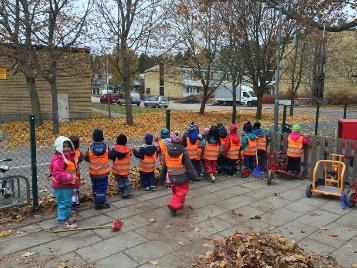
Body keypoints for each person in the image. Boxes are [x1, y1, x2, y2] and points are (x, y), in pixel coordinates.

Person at [166, 131, 198, 216]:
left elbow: (165, 165)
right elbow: (189, 165)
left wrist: (162, 175)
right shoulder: (184, 151)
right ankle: (174, 205)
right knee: (182, 191)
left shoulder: (167, 150)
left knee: (176, 190)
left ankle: (179, 203)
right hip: (182, 176)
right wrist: (194, 176)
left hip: (171, 175)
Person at [49, 136, 79, 229]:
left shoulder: (69, 157)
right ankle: (62, 222)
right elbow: (58, 173)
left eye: (68, 146)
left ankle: (66, 218)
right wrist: (69, 177)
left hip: (68, 185)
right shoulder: (59, 159)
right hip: (61, 186)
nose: (66, 148)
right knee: (63, 203)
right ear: (59, 147)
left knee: (67, 202)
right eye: (64, 146)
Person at [85, 128, 111, 210]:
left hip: (93, 173)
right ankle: (100, 203)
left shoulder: (90, 148)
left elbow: (87, 158)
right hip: (103, 173)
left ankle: (96, 199)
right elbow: (110, 155)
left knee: (95, 186)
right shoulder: (106, 148)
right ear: (103, 137)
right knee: (102, 187)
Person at [110, 134, 133, 198]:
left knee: (120, 181)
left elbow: (111, 157)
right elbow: (130, 154)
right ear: (125, 142)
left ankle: (123, 192)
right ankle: (129, 191)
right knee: (126, 180)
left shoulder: (114, 148)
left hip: (116, 169)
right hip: (125, 169)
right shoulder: (128, 149)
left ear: (117, 141)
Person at [69, 136, 84, 210]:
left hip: (68, 175)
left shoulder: (66, 153)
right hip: (76, 174)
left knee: (70, 188)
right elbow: (81, 158)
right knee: (76, 188)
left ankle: (71, 203)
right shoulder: (78, 152)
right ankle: (75, 202)